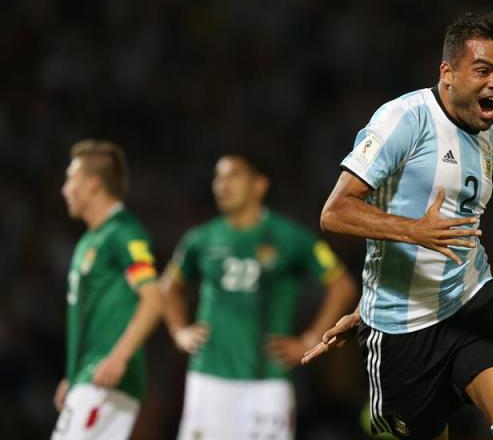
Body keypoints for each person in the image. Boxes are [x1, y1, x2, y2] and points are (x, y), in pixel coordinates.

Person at [302, 13, 493, 440]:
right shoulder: (403, 120)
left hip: (469, 302)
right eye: (482, 70)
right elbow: (334, 211)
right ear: (448, 73)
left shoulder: (492, 144)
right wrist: (368, 306)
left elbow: (461, 235)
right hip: (400, 327)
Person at [160, 152, 358, 440]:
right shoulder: (201, 239)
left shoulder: (288, 236)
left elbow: (343, 285)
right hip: (209, 375)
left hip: (268, 382)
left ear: (259, 185)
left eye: (234, 175)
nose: (222, 184)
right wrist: (179, 331)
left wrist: (309, 339)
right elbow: (168, 287)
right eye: (218, 177)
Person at [51, 140, 164, 439]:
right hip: (89, 377)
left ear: (93, 184)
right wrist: (73, 376)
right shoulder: (89, 241)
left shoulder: (125, 233)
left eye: (70, 179)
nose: (64, 189)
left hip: (107, 379)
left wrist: (119, 357)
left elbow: (153, 299)